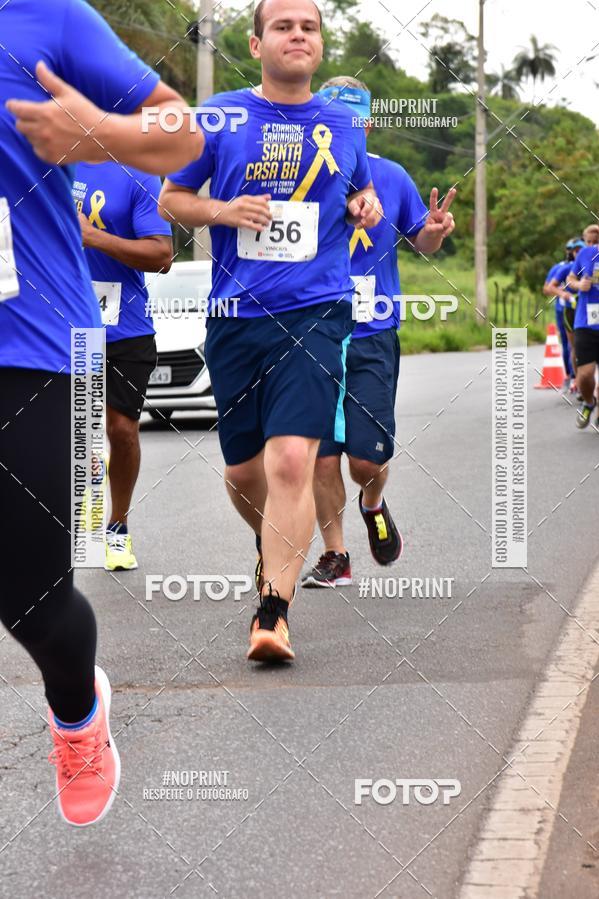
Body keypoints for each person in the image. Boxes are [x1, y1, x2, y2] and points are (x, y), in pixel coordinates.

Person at [1, 0, 202, 826]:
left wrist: (96, 138)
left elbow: (184, 137)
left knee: (35, 597)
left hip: (34, 340)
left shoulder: (47, 20)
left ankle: (77, 711)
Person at [159, 0, 382, 662]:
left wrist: (364, 204)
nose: (297, 35)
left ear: (320, 44)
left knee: (293, 458)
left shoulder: (344, 125)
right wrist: (223, 208)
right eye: (282, 26)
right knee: (243, 471)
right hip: (236, 317)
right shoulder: (223, 116)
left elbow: (358, 197)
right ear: (256, 45)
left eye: (308, 27)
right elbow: (172, 197)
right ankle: (275, 545)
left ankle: (273, 612)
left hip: (317, 310)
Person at [301, 77, 456, 587]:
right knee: (322, 456)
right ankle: (336, 555)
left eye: (351, 119)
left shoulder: (390, 177)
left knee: (365, 459)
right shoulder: (301, 176)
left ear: (366, 122)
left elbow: (423, 242)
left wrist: (432, 231)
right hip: (316, 331)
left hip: (373, 331)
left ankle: (373, 501)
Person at [73, 161, 173, 570]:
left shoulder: (140, 175)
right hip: (67, 321)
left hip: (125, 328)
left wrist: (93, 237)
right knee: (76, 429)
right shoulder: (58, 164)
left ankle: (117, 526)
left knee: (120, 430)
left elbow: (163, 254)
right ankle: (78, 519)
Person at [566, 233, 599, 428]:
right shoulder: (586, 254)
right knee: (585, 375)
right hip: (586, 323)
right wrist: (579, 284)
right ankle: (589, 402)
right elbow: (570, 279)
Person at [543, 238, 583, 392]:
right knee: (569, 344)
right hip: (565, 310)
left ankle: (584, 379)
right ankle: (572, 376)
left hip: (587, 311)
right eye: (571, 248)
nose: (573, 251)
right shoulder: (561, 268)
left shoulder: (590, 265)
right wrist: (562, 293)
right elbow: (547, 288)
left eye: (579, 248)